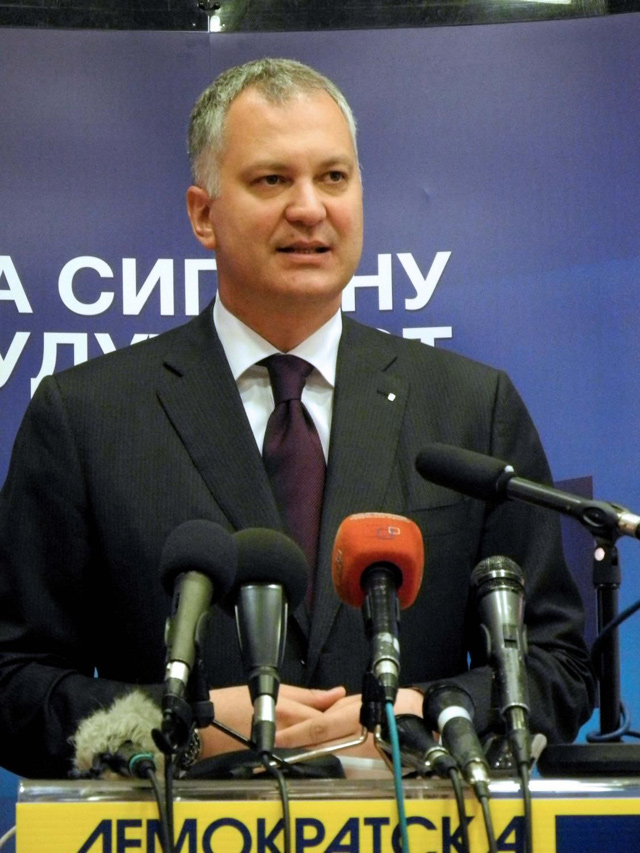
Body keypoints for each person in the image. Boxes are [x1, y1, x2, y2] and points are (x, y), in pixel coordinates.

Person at [0, 58, 594, 779]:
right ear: (203, 214)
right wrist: (179, 725)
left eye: (333, 177)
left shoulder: (472, 407)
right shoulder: (85, 416)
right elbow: (13, 682)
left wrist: (419, 715)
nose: (310, 208)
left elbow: (557, 663)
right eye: (272, 180)